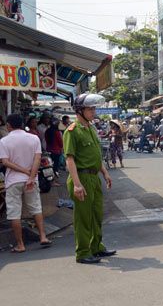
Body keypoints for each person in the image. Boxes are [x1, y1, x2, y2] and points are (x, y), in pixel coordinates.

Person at [64, 93, 116, 264]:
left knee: (97, 215)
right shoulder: (72, 131)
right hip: (82, 179)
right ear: (80, 110)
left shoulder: (91, 129)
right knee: (83, 217)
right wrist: (77, 185)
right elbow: (70, 159)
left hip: (94, 178)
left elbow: (96, 155)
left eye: (94, 108)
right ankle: (83, 252)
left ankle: (96, 247)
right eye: (90, 109)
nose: (94, 111)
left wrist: (105, 173)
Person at [0, 113, 52, 252]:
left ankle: (20, 244)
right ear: (23, 124)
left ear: (8, 126)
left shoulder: (4, 141)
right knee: (36, 208)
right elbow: (37, 159)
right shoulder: (34, 138)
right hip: (31, 180)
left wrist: (23, 171)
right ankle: (43, 237)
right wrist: (30, 175)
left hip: (13, 182)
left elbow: (5, 162)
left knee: (14, 213)